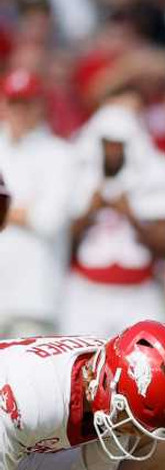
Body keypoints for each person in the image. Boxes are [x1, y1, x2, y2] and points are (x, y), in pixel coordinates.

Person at [0, 320, 165, 470]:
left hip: (27, 451)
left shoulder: (106, 374)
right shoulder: (30, 399)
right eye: (134, 424)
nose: (136, 434)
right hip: (17, 443)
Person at [60, 99, 165, 338]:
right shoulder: (72, 173)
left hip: (139, 293)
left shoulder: (161, 174)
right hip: (85, 293)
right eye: (107, 145)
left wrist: (131, 216)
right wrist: (89, 212)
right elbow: (57, 242)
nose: (112, 153)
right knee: (83, 366)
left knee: (143, 365)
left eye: (119, 146)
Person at [0, 69, 75, 337]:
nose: (20, 112)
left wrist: (7, 211)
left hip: (36, 297)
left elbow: (49, 220)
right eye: (14, 103)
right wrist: (23, 210)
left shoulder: (59, 154)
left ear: (39, 106)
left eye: (26, 104)